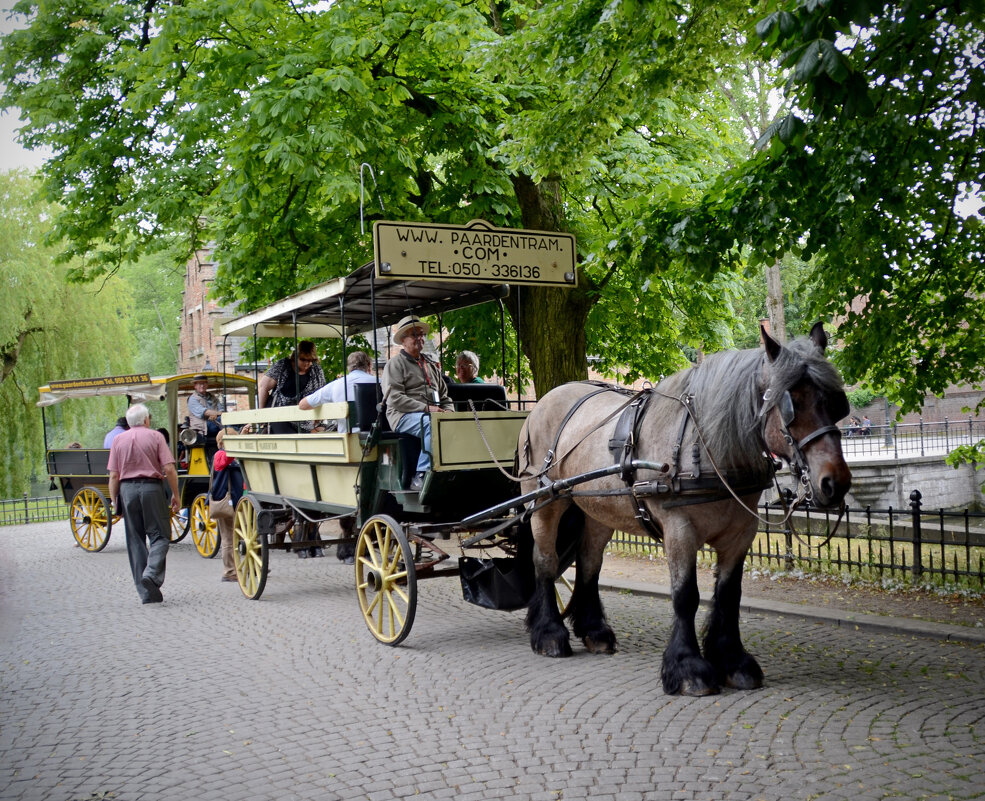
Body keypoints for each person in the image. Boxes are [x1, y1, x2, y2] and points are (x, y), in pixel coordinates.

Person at [107, 403, 180, 605]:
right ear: (146, 420)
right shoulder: (156, 436)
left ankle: (147, 593)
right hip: (152, 488)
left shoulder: (118, 440)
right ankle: (151, 574)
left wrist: (115, 502)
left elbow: (113, 475)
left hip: (127, 491)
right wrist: (176, 494)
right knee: (161, 536)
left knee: (135, 541)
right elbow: (170, 469)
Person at [381, 314, 454, 491]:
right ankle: (421, 475)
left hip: (431, 413)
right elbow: (394, 398)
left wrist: (450, 412)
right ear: (403, 340)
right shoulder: (394, 365)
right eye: (415, 335)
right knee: (431, 424)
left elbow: (445, 396)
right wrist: (427, 408)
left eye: (421, 335)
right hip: (402, 416)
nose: (420, 338)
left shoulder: (429, 364)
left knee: (456, 423)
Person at [299, 350, 377, 432]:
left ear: (348, 368)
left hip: (347, 438)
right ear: (369, 365)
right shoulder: (381, 382)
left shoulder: (336, 385)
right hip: (378, 436)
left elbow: (303, 405)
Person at [259, 340, 326, 434]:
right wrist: (261, 414)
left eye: (310, 360)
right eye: (303, 359)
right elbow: (263, 387)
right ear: (295, 357)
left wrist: (318, 419)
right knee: (289, 440)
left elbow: (321, 394)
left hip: (304, 419)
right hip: (279, 414)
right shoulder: (282, 366)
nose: (307, 363)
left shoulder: (316, 371)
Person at [210, 430, 245, 582]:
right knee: (228, 537)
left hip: (239, 501)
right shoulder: (219, 455)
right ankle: (229, 571)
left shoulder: (233, 456)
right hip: (226, 502)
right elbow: (225, 460)